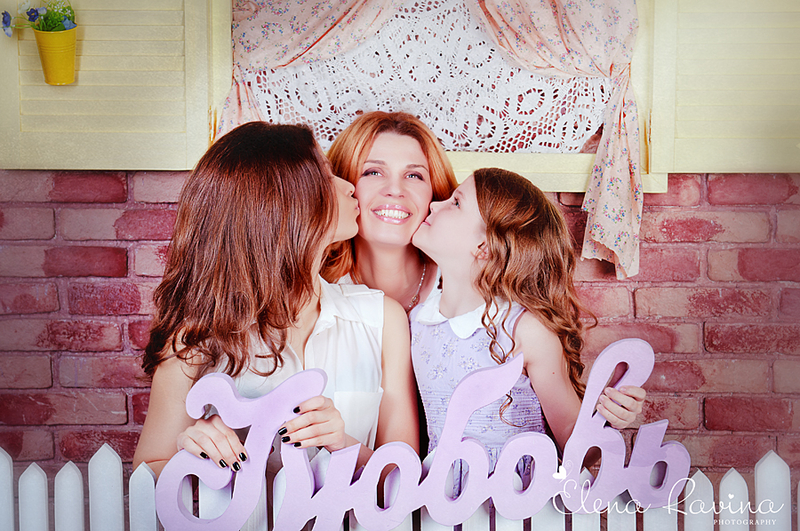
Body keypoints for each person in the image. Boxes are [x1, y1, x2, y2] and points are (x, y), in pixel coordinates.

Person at [133, 122, 419, 488]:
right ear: (284, 204)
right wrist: (192, 454)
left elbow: (404, 481)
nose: (348, 186)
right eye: (326, 176)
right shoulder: (196, 340)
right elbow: (145, 478)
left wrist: (343, 444)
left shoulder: (383, 320)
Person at [410, 168, 646, 483]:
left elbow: (579, 450)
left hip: (518, 499)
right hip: (443, 497)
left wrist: (608, 416)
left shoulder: (525, 329)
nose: (434, 205)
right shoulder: (419, 321)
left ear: (485, 246)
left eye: (455, 203)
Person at [322, 111, 458, 313]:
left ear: (435, 193)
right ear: (343, 186)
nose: (395, 190)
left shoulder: (469, 284)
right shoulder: (315, 292)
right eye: (373, 172)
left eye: (413, 175)